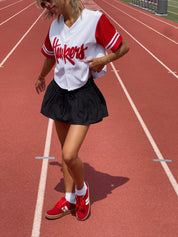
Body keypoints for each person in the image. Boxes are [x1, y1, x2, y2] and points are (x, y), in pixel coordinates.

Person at [35, 0, 129, 221]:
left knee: (69, 154)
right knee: (64, 153)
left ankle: (81, 192)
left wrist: (104, 60)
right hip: (59, 92)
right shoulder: (55, 26)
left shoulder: (94, 20)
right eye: (42, 3)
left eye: (48, 1)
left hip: (82, 93)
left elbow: (123, 47)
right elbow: (51, 56)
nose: (47, 6)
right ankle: (68, 199)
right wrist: (41, 76)